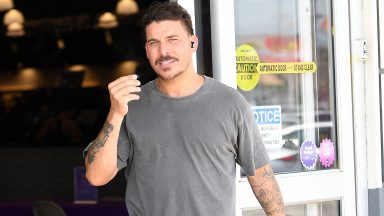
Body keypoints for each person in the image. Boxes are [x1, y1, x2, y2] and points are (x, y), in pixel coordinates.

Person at [84, 1, 286, 216]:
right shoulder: (131, 104)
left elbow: (262, 178)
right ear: (146, 50)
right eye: (154, 42)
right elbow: (96, 176)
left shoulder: (230, 103)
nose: (163, 51)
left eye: (172, 39)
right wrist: (115, 112)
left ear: (193, 43)